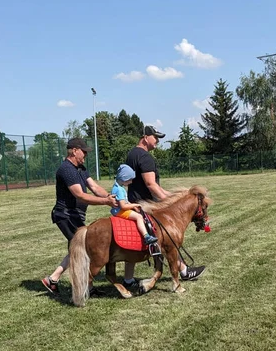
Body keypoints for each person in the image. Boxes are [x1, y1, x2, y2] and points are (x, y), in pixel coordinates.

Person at [123, 125, 205, 287]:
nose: (158, 141)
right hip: (148, 205)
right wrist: (171, 201)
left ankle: (128, 279)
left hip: (133, 202)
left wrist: (170, 196)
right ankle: (183, 271)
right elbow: (151, 185)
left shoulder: (131, 154)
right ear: (146, 137)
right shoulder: (146, 158)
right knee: (170, 237)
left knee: (132, 244)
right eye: (156, 137)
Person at [42, 138, 116, 294]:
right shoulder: (66, 169)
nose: (86, 155)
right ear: (74, 151)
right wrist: (105, 202)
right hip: (65, 215)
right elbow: (80, 195)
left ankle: (55, 280)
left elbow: (94, 187)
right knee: (82, 246)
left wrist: (111, 197)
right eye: (84, 152)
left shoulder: (81, 168)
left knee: (79, 247)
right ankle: (75, 284)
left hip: (75, 215)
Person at [110, 164, 158, 246]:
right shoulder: (119, 190)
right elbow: (123, 206)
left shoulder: (118, 187)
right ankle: (146, 237)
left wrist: (133, 206)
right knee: (138, 217)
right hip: (119, 211)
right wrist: (135, 205)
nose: (131, 182)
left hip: (119, 209)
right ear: (124, 178)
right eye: (130, 180)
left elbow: (125, 202)